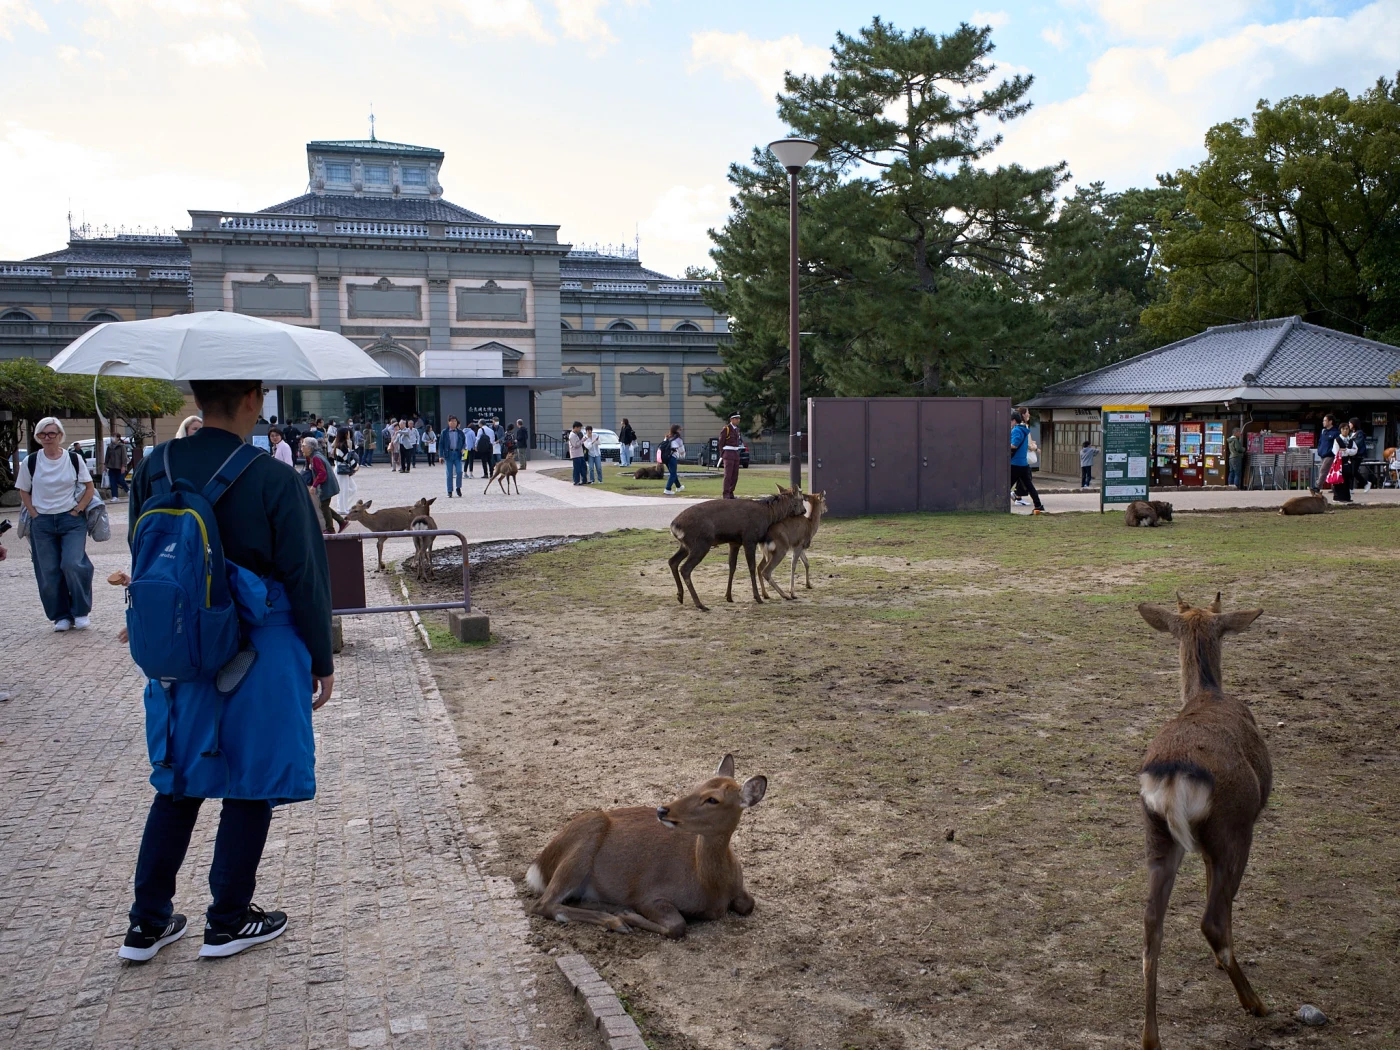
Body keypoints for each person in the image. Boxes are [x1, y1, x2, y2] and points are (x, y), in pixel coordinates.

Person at [119, 378, 333, 963]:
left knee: (179, 782)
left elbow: (145, 558)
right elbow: (306, 577)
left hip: (183, 649)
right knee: (250, 782)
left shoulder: (154, 467)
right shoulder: (274, 476)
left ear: (197, 398)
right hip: (261, 646)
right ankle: (228, 920)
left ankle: (146, 924)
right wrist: (321, 658)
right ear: (250, 401)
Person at [16, 416, 96, 631]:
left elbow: (89, 487)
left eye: (51, 433)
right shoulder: (31, 461)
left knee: (72, 563)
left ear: (60, 435)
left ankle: (80, 611)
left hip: (71, 520)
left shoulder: (73, 459)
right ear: (38, 437)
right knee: (48, 571)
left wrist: (78, 510)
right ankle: (61, 615)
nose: (47, 437)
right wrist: (34, 513)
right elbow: (24, 489)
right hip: (42, 522)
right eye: (42, 434)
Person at [301, 437, 344, 531]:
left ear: (310, 447)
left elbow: (322, 474)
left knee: (323, 506)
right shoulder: (315, 456)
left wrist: (314, 486)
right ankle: (341, 521)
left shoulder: (316, 457)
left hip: (326, 486)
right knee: (323, 505)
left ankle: (330, 529)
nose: (301, 448)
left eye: (303, 446)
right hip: (327, 485)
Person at [1010, 409, 1044, 514]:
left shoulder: (1017, 430)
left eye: (1010, 421)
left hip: (1015, 463)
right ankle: (1038, 505)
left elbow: (1014, 445)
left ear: (1014, 421)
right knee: (1029, 486)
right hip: (1023, 463)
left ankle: (995, 505)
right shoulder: (1024, 429)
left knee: (1004, 485)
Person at [331, 430, 359, 515]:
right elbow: (347, 458)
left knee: (351, 488)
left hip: (343, 469)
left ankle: (345, 507)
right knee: (344, 490)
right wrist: (355, 466)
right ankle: (342, 508)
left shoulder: (341, 445)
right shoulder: (342, 446)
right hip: (342, 470)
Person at [1331, 422, 1357, 503]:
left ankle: (1346, 497)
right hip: (1339, 462)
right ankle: (1337, 497)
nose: (1345, 431)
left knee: (1347, 479)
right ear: (1340, 430)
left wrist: (1346, 450)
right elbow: (1336, 451)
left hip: (1347, 462)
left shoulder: (1351, 441)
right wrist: (1346, 452)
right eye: (1343, 429)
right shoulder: (1337, 440)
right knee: (1338, 479)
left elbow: (1355, 450)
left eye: (1347, 429)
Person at [719, 412, 743, 499]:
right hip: (728, 453)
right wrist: (723, 454)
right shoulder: (726, 429)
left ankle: (731, 492)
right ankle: (726, 494)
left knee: (735, 475)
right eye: (736, 418)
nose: (738, 420)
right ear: (731, 419)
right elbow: (721, 442)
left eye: (739, 419)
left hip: (735, 453)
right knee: (728, 475)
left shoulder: (737, 429)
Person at [441, 416, 466, 496]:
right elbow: (441, 444)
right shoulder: (444, 432)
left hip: (458, 454)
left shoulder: (460, 432)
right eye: (451, 421)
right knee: (449, 473)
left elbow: (464, 442)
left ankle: (458, 487)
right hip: (449, 454)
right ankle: (449, 491)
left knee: (459, 471)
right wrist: (440, 456)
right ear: (448, 422)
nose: (453, 423)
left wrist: (463, 448)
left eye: (455, 421)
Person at [1317, 414, 1339, 490]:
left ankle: (1317, 487)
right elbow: (1320, 442)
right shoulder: (1323, 431)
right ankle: (1335, 488)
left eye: (1325, 420)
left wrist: (1330, 452)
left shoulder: (1335, 432)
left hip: (1330, 455)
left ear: (1330, 422)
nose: (1323, 422)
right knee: (1330, 471)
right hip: (1322, 454)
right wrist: (1319, 450)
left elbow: (1336, 444)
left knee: (1323, 470)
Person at [105, 435, 131, 499]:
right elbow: (107, 456)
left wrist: (123, 466)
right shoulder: (109, 447)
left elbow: (124, 457)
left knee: (121, 480)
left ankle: (128, 490)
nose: (112, 438)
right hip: (111, 467)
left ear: (118, 438)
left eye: (114, 437)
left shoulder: (121, 446)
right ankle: (115, 496)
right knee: (112, 482)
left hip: (120, 466)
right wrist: (105, 465)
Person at [661, 425, 685, 494]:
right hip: (672, 457)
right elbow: (682, 451)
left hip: (665, 457)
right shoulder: (678, 439)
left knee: (673, 473)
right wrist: (682, 455)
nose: (680, 431)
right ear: (676, 430)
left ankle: (679, 486)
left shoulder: (667, 437)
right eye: (680, 430)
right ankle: (667, 489)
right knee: (673, 474)